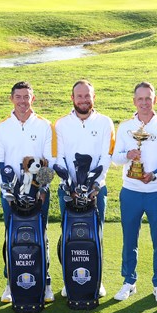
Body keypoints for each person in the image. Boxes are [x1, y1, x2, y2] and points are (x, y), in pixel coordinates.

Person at [112, 82, 157, 303]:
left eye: (148, 98)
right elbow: (115, 159)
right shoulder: (125, 126)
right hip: (130, 192)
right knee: (129, 239)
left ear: (154, 100)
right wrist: (128, 155)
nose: (144, 103)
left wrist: (156, 174)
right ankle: (128, 282)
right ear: (134, 101)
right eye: (140, 99)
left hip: (156, 191)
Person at [0, 81, 54, 304]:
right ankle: (10, 282)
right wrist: (6, 190)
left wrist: (43, 188)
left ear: (32, 99)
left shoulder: (44, 125)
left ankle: (45, 281)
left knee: (41, 236)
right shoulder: (2, 127)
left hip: (38, 194)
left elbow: (48, 160)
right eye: (18, 97)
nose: (23, 101)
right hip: (11, 194)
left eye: (27, 97)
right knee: (11, 236)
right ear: (12, 99)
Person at [53, 80, 114, 298]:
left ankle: (96, 280)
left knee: (95, 236)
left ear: (93, 97)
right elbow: (58, 157)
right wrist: (69, 186)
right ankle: (69, 280)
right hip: (68, 191)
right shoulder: (61, 124)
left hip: (97, 190)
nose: (83, 100)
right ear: (72, 98)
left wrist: (96, 184)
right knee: (68, 235)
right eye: (79, 96)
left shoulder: (105, 122)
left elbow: (106, 156)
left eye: (87, 96)